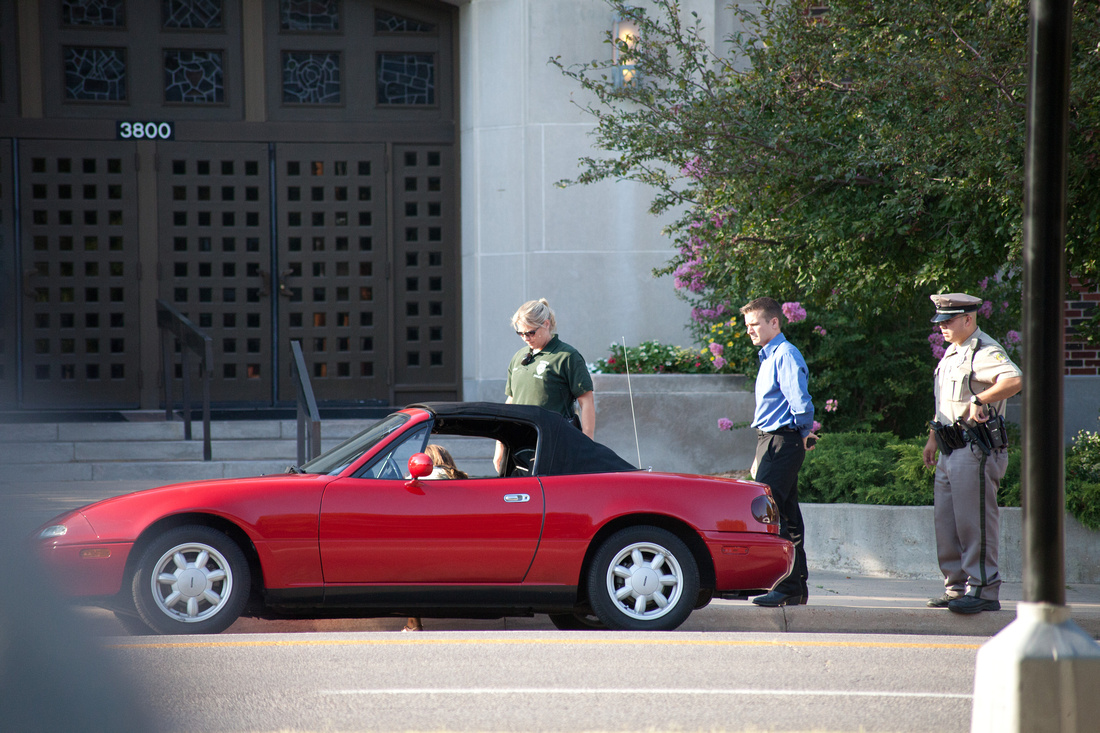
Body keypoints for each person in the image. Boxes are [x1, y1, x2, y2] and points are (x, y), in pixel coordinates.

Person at [923, 293, 1022, 614]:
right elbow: (945, 403)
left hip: (975, 448)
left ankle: (984, 589)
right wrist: (932, 440)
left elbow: (1013, 379)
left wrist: (981, 401)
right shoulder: (954, 352)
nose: (942, 328)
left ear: (969, 319)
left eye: (948, 321)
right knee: (947, 524)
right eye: (940, 322)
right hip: (949, 447)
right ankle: (956, 587)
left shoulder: (984, 350)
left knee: (974, 522)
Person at [741, 297, 817, 607]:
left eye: (755, 324)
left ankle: (786, 587)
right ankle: (796, 586)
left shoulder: (784, 354)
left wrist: (802, 433)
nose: (751, 331)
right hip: (770, 440)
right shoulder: (769, 356)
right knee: (786, 514)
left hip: (782, 439)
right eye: (747, 326)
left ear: (775, 322)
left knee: (769, 513)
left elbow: (800, 402)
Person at [494, 299, 594, 472]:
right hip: (519, 446)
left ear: (546, 324)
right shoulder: (518, 357)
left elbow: (586, 402)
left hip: (554, 445)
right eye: (520, 333)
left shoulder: (567, 356)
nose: (525, 338)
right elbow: (510, 401)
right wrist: (499, 447)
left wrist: (587, 445)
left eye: (531, 333)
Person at [404, 444, 468, 632]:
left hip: (428, 546)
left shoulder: (425, 478)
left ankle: (412, 625)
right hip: (458, 544)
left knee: (408, 570)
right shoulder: (460, 479)